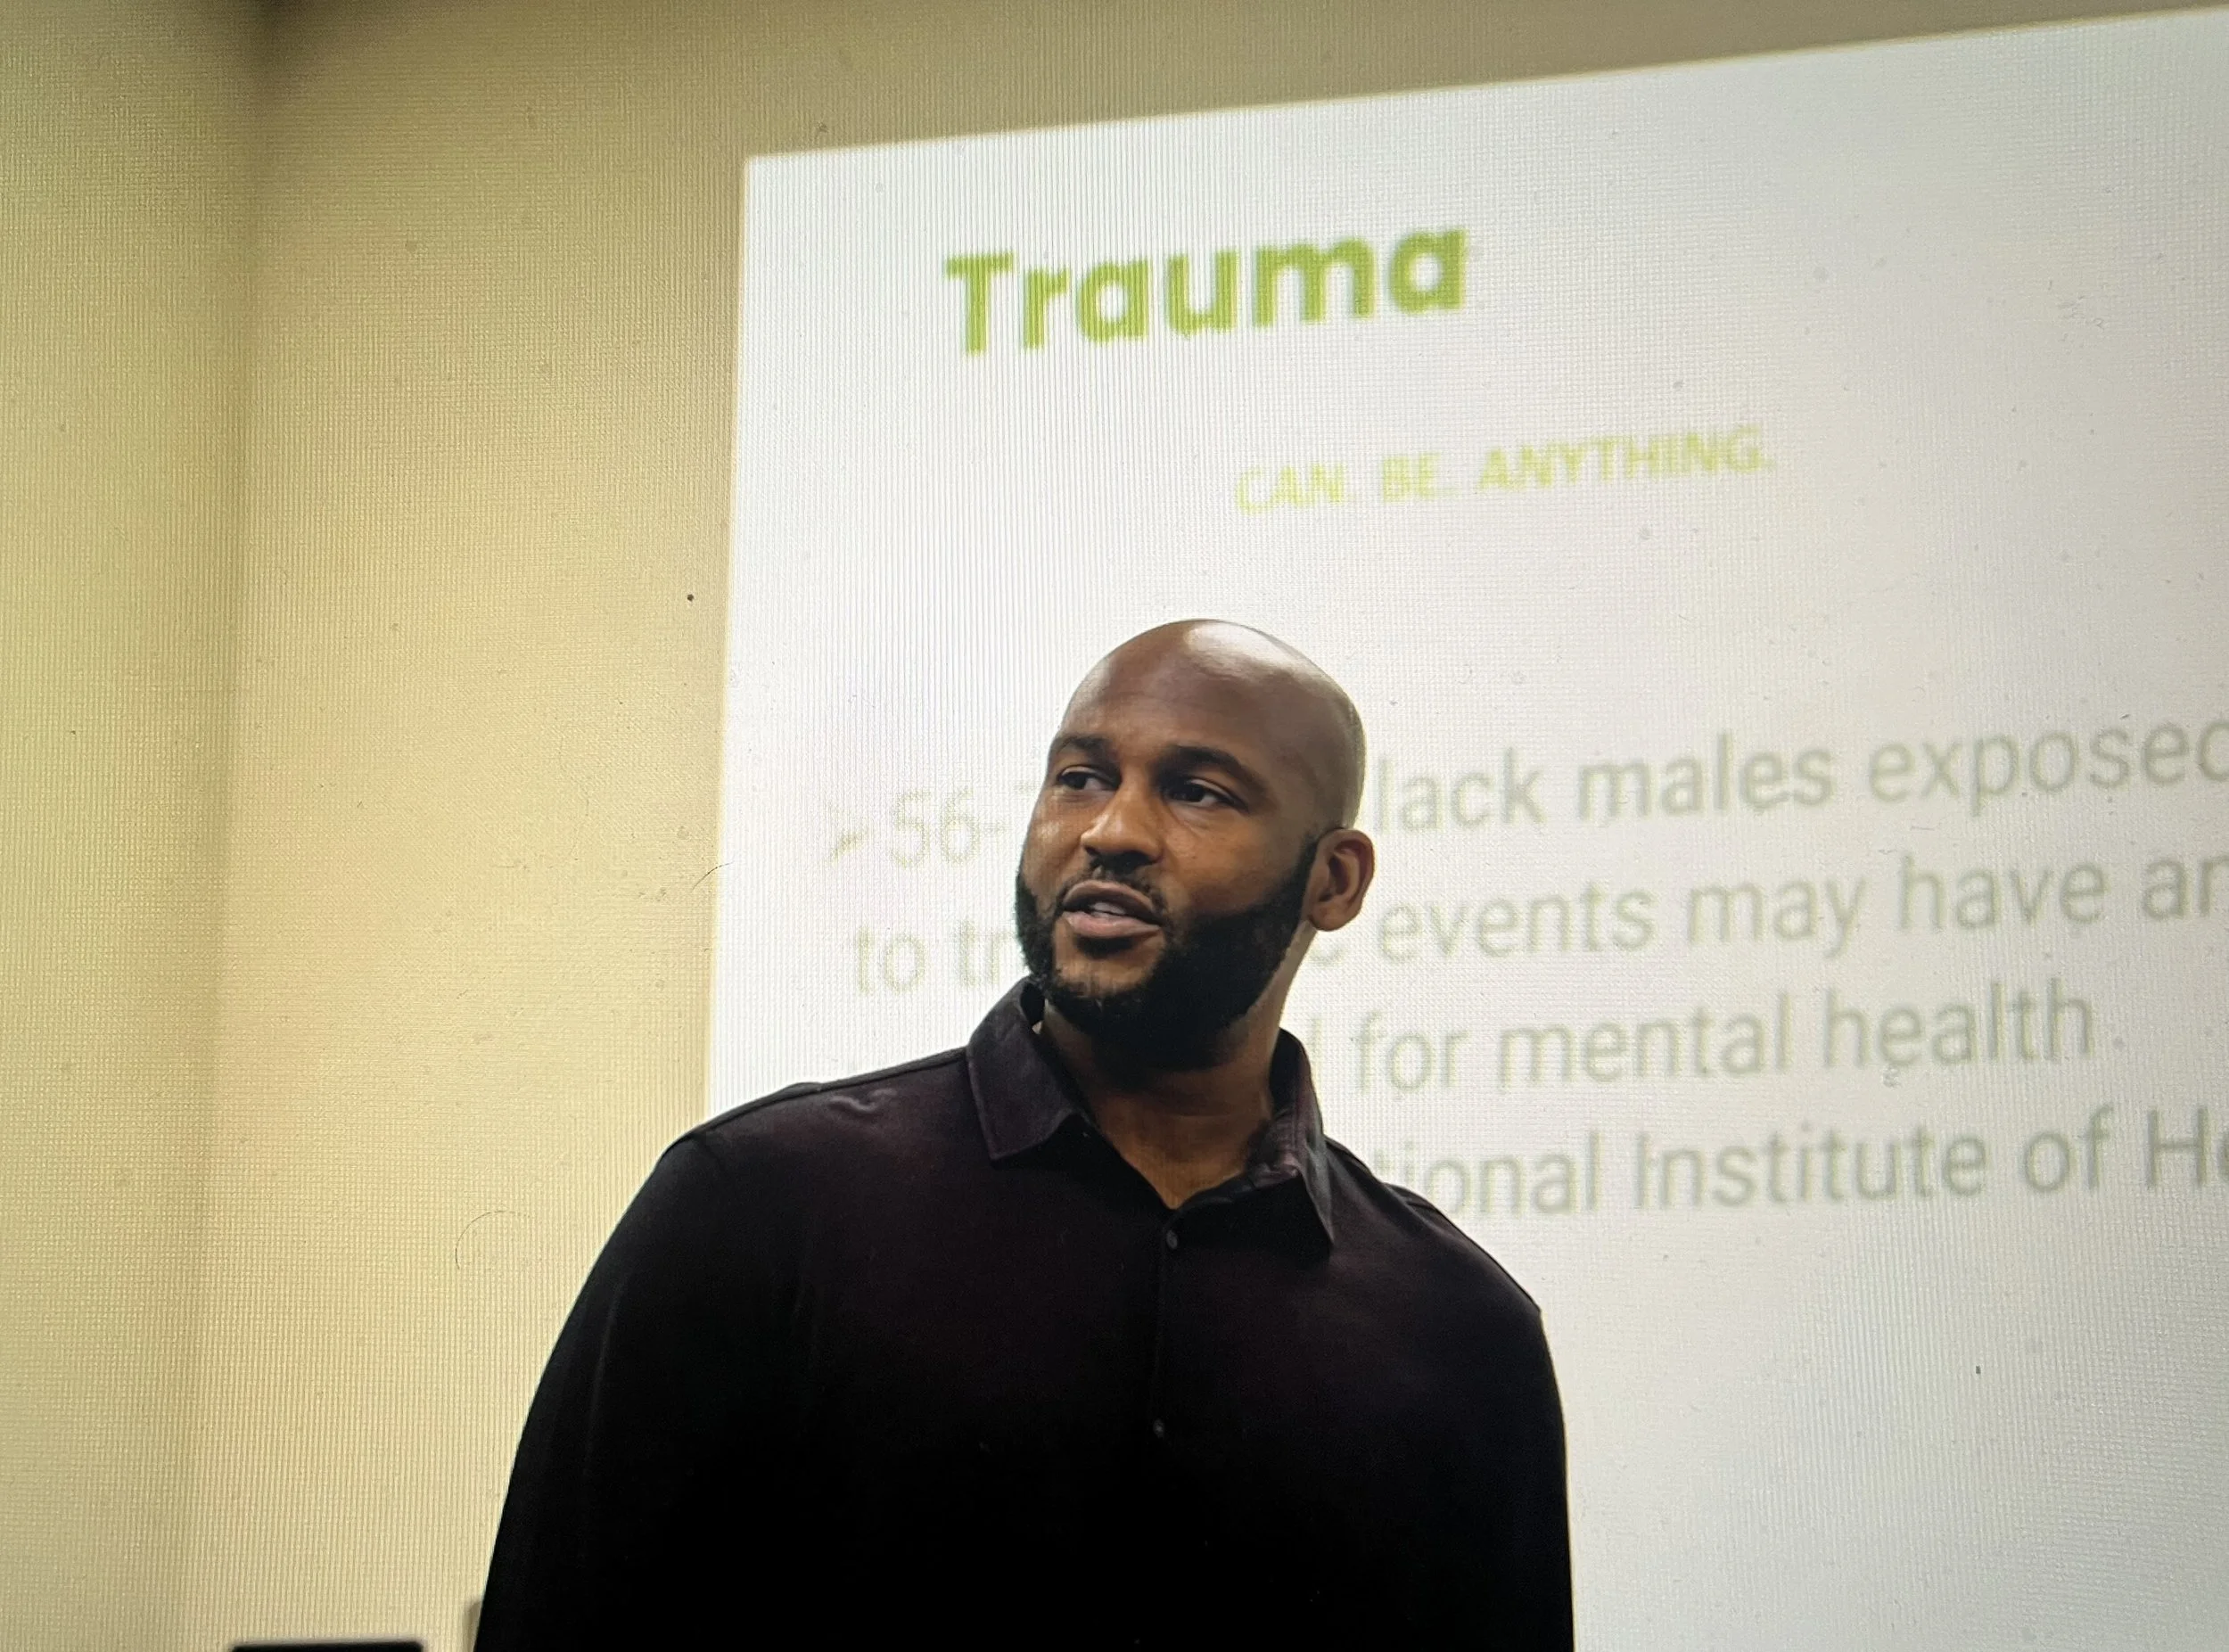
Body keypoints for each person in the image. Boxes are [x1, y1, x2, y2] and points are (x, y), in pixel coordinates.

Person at [476, 621, 1571, 1648]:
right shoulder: (761, 1201)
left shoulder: (1460, 1330)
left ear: (1333, 880)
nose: (1110, 831)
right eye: (1080, 777)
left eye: (1196, 791)